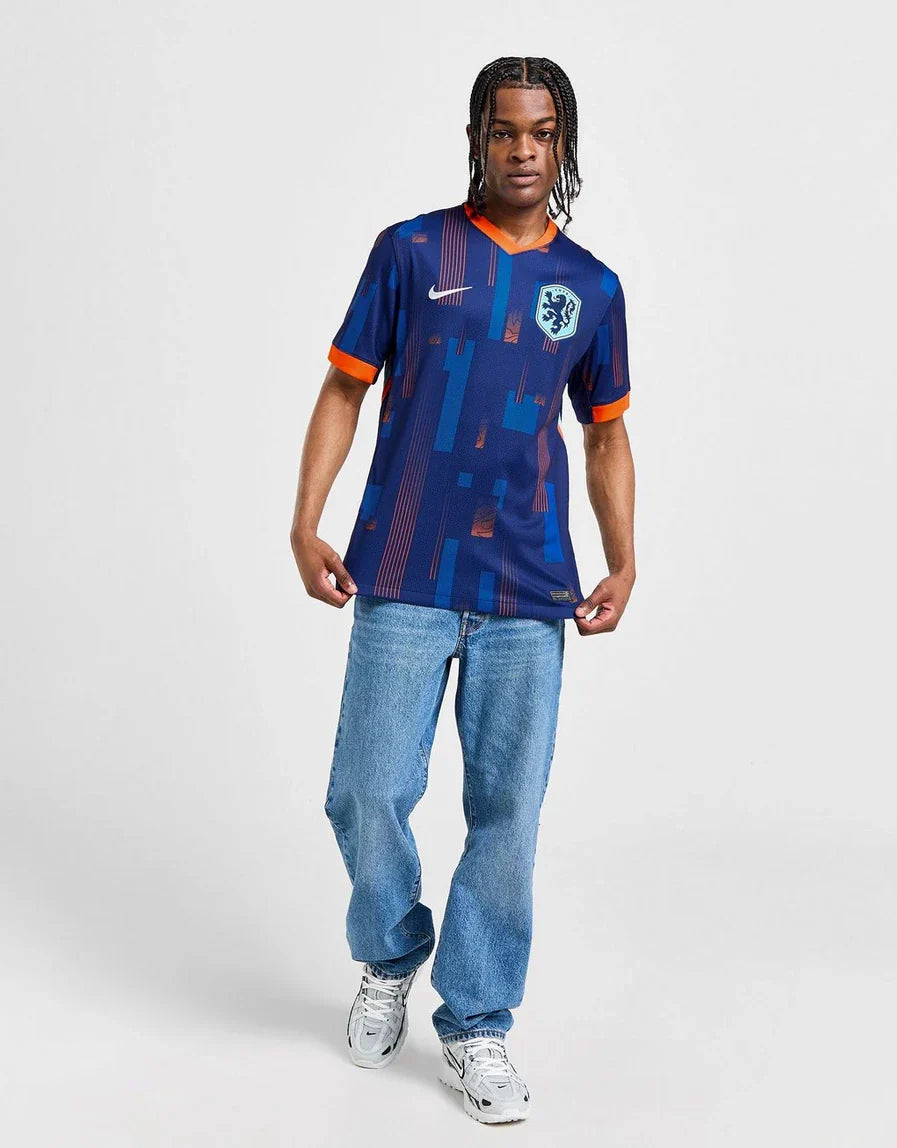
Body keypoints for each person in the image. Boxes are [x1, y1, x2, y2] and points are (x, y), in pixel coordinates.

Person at [290, 56, 636, 1125]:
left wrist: (624, 557)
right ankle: (390, 953)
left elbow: (606, 434)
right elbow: (344, 386)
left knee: (507, 815)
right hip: (403, 568)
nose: (523, 149)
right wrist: (305, 520)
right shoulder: (411, 251)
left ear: (563, 143)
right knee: (364, 789)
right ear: (478, 138)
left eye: (542, 132)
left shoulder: (591, 287)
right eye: (504, 131)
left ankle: (478, 1020)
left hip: (529, 587)